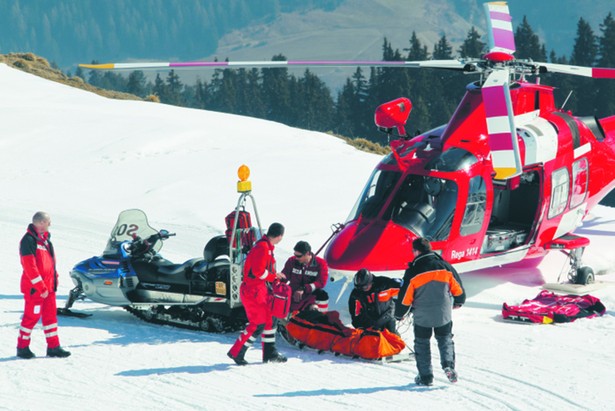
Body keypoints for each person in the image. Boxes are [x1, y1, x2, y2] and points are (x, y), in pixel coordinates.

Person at [395, 237, 465, 386]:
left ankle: (426, 377)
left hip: (422, 315)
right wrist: (459, 300)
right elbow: (458, 288)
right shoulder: (445, 266)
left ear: (417, 251)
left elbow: (405, 297)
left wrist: (399, 314)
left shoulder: (413, 271)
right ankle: (448, 366)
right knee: (445, 339)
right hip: (443, 313)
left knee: (422, 343)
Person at [227, 222, 287, 365]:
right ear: (279, 236)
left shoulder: (266, 247)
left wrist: (274, 276)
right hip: (253, 291)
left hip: (259, 290)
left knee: (270, 320)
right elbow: (258, 272)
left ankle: (270, 353)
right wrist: (274, 277)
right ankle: (236, 352)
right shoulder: (263, 248)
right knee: (257, 324)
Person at [17, 212, 71, 359]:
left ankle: (53, 347)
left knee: (50, 318)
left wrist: (54, 280)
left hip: (49, 288)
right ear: (40, 223)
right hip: (36, 289)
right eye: (48, 222)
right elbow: (29, 266)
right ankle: (22, 347)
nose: (49, 224)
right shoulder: (28, 240)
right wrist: (40, 287)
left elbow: (50, 264)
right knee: (31, 317)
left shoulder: (46, 241)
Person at [348, 268, 401, 334]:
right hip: (371, 323)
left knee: (394, 339)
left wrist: (403, 308)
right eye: (359, 288)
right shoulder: (356, 294)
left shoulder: (385, 284)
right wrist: (358, 325)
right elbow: (354, 313)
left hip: (387, 318)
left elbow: (405, 288)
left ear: (371, 282)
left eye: (365, 287)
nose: (362, 290)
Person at [281, 241, 329, 313]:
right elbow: (285, 276)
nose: (296, 258)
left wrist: (304, 288)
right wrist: (278, 278)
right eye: (295, 255)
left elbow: (321, 282)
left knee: (322, 295)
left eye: (299, 256)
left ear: (307, 253)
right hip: (292, 295)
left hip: (309, 296)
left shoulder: (321, 263)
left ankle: (317, 319)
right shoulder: (292, 261)